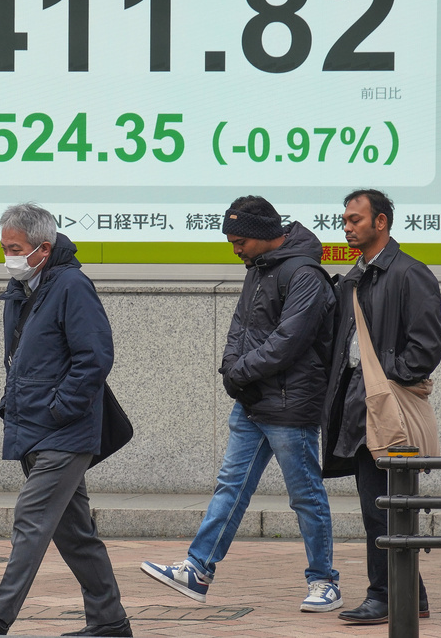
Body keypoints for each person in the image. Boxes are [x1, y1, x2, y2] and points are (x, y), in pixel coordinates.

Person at [140, 196, 341, 612]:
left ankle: (324, 581)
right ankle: (198, 569)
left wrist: (241, 373)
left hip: (290, 404)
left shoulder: (304, 274)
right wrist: (231, 369)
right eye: (232, 241)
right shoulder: (258, 269)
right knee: (231, 487)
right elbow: (239, 327)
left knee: (305, 495)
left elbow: (290, 340)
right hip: (253, 402)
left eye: (240, 241)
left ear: (266, 234)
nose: (235, 249)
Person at [0, 203, 130, 638]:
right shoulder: (25, 289)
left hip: (63, 431)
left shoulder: (71, 286)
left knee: (30, 517)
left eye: (14, 248)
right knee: (75, 536)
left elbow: (95, 358)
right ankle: (110, 621)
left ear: (43, 248)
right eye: (4, 247)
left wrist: (58, 409)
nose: (7, 256)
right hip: (34, 427)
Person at [323, 189, 441, 625]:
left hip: (385, 404)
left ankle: (386, 595)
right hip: (359, 406)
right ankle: (412, 595)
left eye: (356, 219)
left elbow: (426, 350)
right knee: (378, 506)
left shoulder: (411, 274)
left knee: (385, 508)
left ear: (381, 222)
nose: (348, 226)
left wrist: (384, 374)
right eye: (345, 220)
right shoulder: (355, 277)